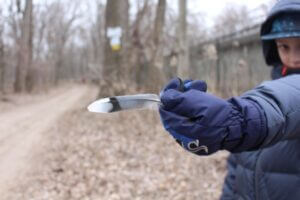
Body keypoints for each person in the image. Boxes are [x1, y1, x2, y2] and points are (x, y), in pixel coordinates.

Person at [159, 0, 300, 199]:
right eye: (284, 47)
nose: (293, 58)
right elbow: (236, 172)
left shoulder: (266, 100)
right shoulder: (262, 89)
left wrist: (242, 119)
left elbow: (288, 99)